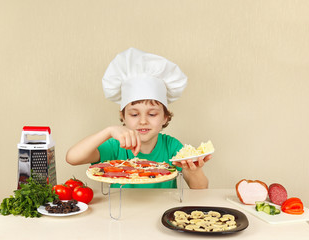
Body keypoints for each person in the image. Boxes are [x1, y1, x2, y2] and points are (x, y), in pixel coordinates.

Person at [66, 48, 211, 189]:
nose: (143, 121)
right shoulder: (115, 146)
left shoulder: (172, 146)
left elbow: (200, 188)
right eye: (134, 114)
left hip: (161, 210)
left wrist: (194, 171)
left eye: (152, 114)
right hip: (122, 210)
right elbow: (72, 158)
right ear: (123, 116)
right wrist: (109, 131)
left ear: (165, 118)